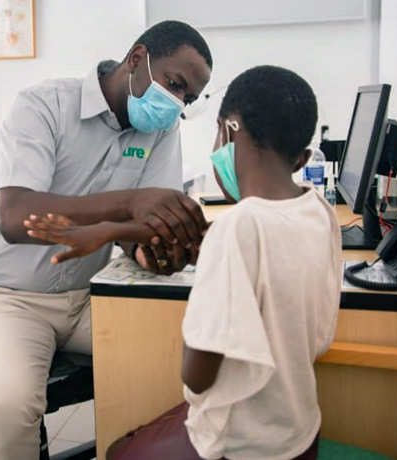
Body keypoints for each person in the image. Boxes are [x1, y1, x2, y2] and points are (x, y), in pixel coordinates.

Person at [25, 65, 342, 460]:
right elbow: (233, 239)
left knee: (117, 451)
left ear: (228, 131)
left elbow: (196, 376)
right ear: (302, 158)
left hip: (240, 444)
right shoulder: (318, 211)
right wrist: (108, 230)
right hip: (298, 431)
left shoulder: (239, 228)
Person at [0, 20, 213, 460]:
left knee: (191, 361)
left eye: (187, 98)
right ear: (137, 59)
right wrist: (131, 205)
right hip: (7, 299)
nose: (176, 104)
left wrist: (160, 250)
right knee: (8, 407)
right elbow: (16, 218)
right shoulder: (44, 105)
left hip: (94, 296)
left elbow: (143, 228)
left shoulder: (161, 129)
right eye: (174, 84)